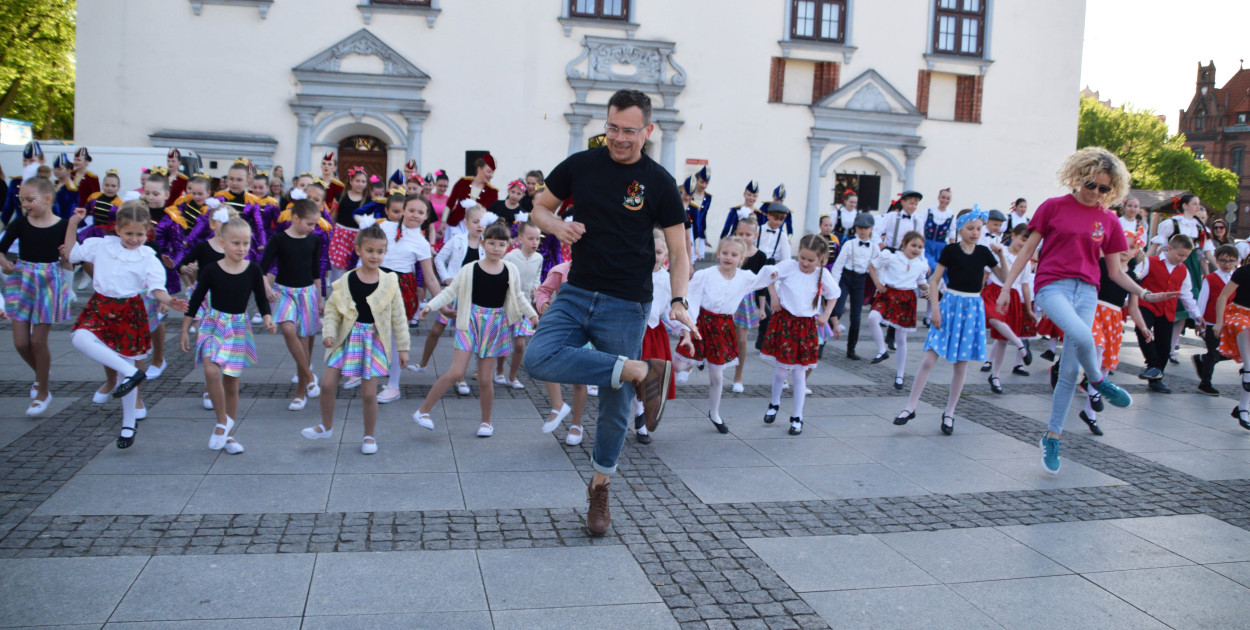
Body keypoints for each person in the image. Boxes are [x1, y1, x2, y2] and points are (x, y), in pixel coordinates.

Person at [522, 89, 692, 537]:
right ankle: (639, 369)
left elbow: (679, 249)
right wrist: (557, 224)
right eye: (612, 128)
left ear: (647, 131)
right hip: (577, 291)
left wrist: (679, 300)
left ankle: (600, 488)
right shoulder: (581, 164)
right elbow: (538, 207)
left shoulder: (659, 182)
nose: (618, 138)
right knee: (537, 358)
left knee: (616, 404)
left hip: (626, 302)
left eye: (629, 131)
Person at [997, 147, 1174, 474]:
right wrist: (1007, 288)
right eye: (1091, 185)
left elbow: (1117, 272)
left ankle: (1052, 436)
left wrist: (1145, 292)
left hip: (1087, 291)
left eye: (1104, 189)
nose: (1096, 193)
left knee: (1068, 371)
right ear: (1079, 178)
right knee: (1082, 335)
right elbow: (1026, 252)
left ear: (1113, 190)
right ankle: (1098, 380)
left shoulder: (1108, 219)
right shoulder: (1052, 207)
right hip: (1052, 286)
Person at [66, 202, 188, 448]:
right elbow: (71, 254)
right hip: (101, 305)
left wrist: (169, 301)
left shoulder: (148, 258)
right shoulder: (101, 245)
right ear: (118, 230)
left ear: (147, 233)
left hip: (129, 310)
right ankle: (132, 374)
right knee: (79, 337)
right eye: (129, 233)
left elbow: (157, 289)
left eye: (140, 234)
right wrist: (72, 224)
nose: (134, 239)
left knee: (127, 367)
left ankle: (128, 424)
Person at [413, 220, 538, 437]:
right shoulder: (470, 269)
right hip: (469, 321)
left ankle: (486, 422)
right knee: (456, 371)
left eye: (501, 244)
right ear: (482, 244)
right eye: (491, 243)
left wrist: (533, 315)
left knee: (484, 378)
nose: (496, 248)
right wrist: (431, 307)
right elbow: (450, 292)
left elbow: (518, 296)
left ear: (508, 246)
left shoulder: (510, 270)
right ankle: (423, 411)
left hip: (496, 324)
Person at [301, 221, 409, 454]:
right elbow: (331, 311)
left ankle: (369, 436)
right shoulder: (344, 282)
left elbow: (399, 316)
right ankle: (326, 426)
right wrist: (328, 333)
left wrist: (403, 348)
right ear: (358, 249)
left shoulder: (390, 281)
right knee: (328, 384)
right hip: (345, 338)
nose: (375, 255)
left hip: (374, 340)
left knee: (369, 393)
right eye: (370, 250)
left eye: (380, 251)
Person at [895, 209, 1004, 434]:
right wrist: (935, 309)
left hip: (972, 308)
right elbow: (934, 281)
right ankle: (910, 406)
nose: (975, 233)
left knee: (961, 364)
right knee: (929, 358)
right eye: (970, 228)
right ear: (960, 228)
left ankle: (950, 412)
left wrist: (1001, 254)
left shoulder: (984, 252)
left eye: (978, 229)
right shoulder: (951, 250)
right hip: (950, 305)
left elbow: (1004, 277)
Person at [180, 216, 275, 453]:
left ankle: (229, 436)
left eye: (246, 243)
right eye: (236, 243)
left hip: (237, 327)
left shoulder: (253, 269)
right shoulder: (211, 269)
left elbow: (261, 298)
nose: (241, 248)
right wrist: (184, 328)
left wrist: (267, 317)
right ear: (222, 242)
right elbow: (195, 300)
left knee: (231, 383)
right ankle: (222, 422)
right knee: (211, 371)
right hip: (212, 323)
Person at [675, 237, 777, 433]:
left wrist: (774, 269)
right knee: (679, 364)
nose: (728, 257)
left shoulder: (745, 277)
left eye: (734, 254)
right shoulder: (705, 275)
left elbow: (763, 279)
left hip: (723, 328)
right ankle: (693, 363)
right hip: (702, 323)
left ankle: (714, 413)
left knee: (717, 376)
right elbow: (692, 299)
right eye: (725, 253)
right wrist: (690, 326)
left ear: (741, 257)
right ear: (718, 253)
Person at [0, 177, 73, 415]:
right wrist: (4, 263)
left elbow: (72, 261)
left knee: (38, 341)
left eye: (30, 200)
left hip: (49, 281)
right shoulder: (20, 223)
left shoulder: (63, 226)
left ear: (48, 198)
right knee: (21, 342)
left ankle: (43, 390)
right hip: (23, 279)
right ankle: (42, 371)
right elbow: (1, 249)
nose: (25, 205)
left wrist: (66, 256)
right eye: (22, 200)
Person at [759, 234, 839, 436]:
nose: (805, 262)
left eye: (811, 260)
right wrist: (774, 295)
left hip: (806, 326)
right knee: (780, 371)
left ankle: (797, 416)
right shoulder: (789, 266)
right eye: (803, 257)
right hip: (785, 322)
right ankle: (774, 403)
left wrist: (826, 315)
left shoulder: (822, 275)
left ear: (820, 258)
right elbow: (769, 274)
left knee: (799, 374)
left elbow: (834, 295)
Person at [1080, 231, 1149, 435]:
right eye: (1123, 245)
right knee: (1098, 346)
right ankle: (1094, 393)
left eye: (1131, 247)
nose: (1126, 251)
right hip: (1094, 310)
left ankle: (1089, 414)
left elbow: (1134, 307)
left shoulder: (1133, 276)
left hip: (1114, 318)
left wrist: (1143, 326)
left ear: (1137, 251)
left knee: (1105, 365)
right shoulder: (1102, 264)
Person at [260, 199, 325, 411]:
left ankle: (300, 392)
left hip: (307, 293)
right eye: (309, 223)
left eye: (315, 224)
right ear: (295, 218)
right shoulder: (279, 239)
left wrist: (320, 296)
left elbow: (316, 271)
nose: (312, 228)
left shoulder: (314, 240)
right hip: (283, 292)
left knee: (303, 343)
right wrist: (267, 289)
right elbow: (262, 267)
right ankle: (309, 377)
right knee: (287, 328)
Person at [375, 194, 440, 402]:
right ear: (402, 210)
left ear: (426, 217)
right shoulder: (385, 228)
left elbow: (429, 276)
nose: (415, 215)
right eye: (411, 210)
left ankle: (393, 385)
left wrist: (441, 301)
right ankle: (365, 369)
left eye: (420, 212)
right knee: (370, 329)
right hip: (376, 281)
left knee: (395, 337)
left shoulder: (421, 242)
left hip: (400, 288)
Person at [415, 203, 486, 392]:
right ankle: (423, 363)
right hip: (454, 292)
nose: (480, 226)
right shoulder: (457, 240)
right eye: (475, 221)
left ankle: (460, 377)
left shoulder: (487, 244)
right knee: (437, 330)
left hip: (473, 295)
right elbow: (438, 259)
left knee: (465, 335)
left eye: (483, 222)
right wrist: (446, 277)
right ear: (466, 223)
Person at [1135, 234, 1202, 393]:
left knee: (1164, 347)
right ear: (1170, 248)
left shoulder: (1184, 271)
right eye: (1180, 254)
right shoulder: (1150, 262)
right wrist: (1124, 298)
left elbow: (1186, 294)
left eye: (1186, 256)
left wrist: (1197, 315)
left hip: (1167, 310)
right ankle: (1153, 365)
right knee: (1142, 329)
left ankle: (1156, 379)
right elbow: (1133, 279)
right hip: (1147, 304)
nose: (1182, 258)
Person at [533, 260, 589, 444]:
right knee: (546, 357)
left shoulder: (599, 270)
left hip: (586, 330)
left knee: (580, 380)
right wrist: (544, 305)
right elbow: (542, 291)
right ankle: (558, 405)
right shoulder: (561, 271)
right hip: (562, 326)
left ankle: (576, 423)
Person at [866, 231, 929, 389]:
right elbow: (872, 266)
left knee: (901, 339)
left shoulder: (920, 265)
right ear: (904, 244)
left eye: (920, 247)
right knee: (873, 317)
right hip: (889, 294)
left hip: (906, 299)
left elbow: (922, 282)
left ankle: (900, 375)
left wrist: (931, 290)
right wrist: (878, 284)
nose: (916, 249)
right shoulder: (892, 257)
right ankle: (882, 350)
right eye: (913, 245)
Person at [980, 224, 1036, 388]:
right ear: (1013, 235)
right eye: (1022, 240)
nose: (1023, 244)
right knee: (994, 318)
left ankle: (995, 376)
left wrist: (1029, 309)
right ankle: (1020, 344)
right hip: (994, 291)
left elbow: (1025, 285)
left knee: (1002, 340)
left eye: (1028, 242)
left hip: (1012, 296)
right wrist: (978, 291)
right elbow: (986, 273)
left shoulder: (1026, 261)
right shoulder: (1000, 251)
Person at [498, 221, 544, 387]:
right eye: (531, 238)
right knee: (503, 342)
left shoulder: (539, 258)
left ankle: (512, 376)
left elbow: (538, 276)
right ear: (520, 239)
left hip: (525, 307)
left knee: (519, 344)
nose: (535, 242)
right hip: (507, 305)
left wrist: (535, 287)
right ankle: (500, 371)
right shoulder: (511, 257)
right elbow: (502, 278)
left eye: (538, 239)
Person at [829, 212, 876, 360]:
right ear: (855, 228)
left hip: (861, 281)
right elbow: (838, 265)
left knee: (856, 317)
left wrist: (880, 285)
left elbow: (879, 268)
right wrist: (835, 286)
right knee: (838, 309)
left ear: (871, 229)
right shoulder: (849, 244)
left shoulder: (874, 248)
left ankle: (851, 349)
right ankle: (820, 342)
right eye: (860, 227)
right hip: (846, 278)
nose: (862, 231)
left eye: (866, 228)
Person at [1193, 244, 1239, 395]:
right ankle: (1205, 383)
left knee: (1233, 353)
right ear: (1217, 261)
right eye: (1223, 260)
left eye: (1231, 261)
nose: (1227, 264)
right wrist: (1198, 321)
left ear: (1237, 261)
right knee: (1214, 352)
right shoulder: (1211, 279)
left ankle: (1202, 359)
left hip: (1231, 323)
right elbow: (1202, 299)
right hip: (1212, 322)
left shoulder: (1237, 279)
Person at [1211, 258, 1250, 431]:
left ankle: (1243, 408)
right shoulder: (1244, 271)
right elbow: (1223, 296)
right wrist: (1219, 322)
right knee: (1244, 328)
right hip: (1238, 314)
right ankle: (1248, 368)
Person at [732, 219, 766, 390]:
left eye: (748, 235)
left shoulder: (760, 256)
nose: (743, 238)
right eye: (740, 234)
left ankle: (738, 377)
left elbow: (762, 285)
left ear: (755, 235)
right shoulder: (731, 250)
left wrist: (761, 307)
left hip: (745, 299)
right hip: (728, 295)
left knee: (742, 338)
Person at [443, 156, 499, 240]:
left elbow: (492, 214)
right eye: (488, 172)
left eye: (492, 173)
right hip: (456, 224)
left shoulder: (492, 192)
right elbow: (450, 203)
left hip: (477, 228)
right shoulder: (462, 182)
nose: (491, 175)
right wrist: (443, 222)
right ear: (479, 169)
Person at [328, 167, 370, 275]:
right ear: (351, 181)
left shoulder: (368, 201)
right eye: (357, 181)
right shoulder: (340, 196)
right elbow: (333, 216)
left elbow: (369, 222)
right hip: (340, 234)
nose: (360, 184)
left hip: (358, 236)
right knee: (337, 266)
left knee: (353, 267)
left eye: (363, 181)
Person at [922, 188, 955, 271]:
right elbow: (920, 227)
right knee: (929, 266)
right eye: (943, 197)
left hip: (941, 247)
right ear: (938, 197)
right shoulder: (929, 211)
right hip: (926, 245)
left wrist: (953, 251)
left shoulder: (951, 215)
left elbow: (952, 234)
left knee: (942, 269)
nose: (945, 200)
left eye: (947, 198)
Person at [690, 165, 712, 258]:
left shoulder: (708, 197)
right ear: (696, 180)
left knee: (695, 259)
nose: (704, 185)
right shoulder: (688, 194)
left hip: (699, 232)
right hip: (688, 229)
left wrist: (705, 237)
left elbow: (704, 217)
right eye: (702, 182)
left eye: (706, 183)